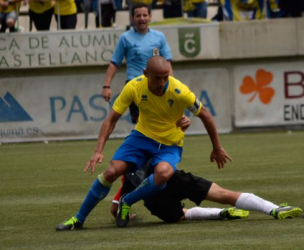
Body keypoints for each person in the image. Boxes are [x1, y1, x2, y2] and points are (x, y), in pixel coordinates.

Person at [56, 56, 232, 231]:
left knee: (164, 173)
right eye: (157, 77)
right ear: (146, 74)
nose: (162, 82)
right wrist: (98, 151)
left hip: (169, 145)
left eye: (165, 77)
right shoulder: (133, 86)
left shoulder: (179, 90)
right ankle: (78, 219)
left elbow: (205, 115)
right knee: (111, 172)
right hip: (141, 138)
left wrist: (217, 147)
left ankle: (127, 200)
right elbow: (111, 120)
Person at [110, 168, 303, 223]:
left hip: (154, 200)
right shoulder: (153, 140)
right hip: (174, 180)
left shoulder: (126, 169)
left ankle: (220, 214)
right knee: (224, 194)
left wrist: (127, 215)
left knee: (181, 215)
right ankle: (274, 209)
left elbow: (114, 208)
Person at [101, 3, 173, 124]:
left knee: (159, 118)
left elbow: (167, 63)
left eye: (145, 15)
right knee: (140, 121)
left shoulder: (159, 37)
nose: (142, 18)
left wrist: (171, 84)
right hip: (134, 84)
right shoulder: (125, 38)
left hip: (156, 84)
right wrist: (106, 86)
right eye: (138, 16)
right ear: (132, 18)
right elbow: (114, 63)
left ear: (150, 17)